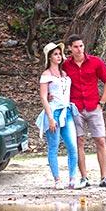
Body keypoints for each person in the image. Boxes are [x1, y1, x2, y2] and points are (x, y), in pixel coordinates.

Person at [62, 35, 106, 188]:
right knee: (79, 141)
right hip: (75, 107)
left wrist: (102, 102)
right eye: (76, 46)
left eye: (81, 46)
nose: (79, 49)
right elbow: (57, 80)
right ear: (70, 48)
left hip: (93, 106)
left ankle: (104, 176)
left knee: (100, 140)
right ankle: (84, 177)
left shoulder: (95, 62)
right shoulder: (66, 65)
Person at [35, 42, 80, 189]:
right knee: (54, 146)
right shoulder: (46, 75)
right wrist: (50, 117)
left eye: (59, 53)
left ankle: (73, 178)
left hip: (66, 112)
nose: (58, 56)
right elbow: (43, 97)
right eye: (55, 54)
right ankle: (57, 179)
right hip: (53, 112)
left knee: (72, 146)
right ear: (49, 57)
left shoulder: (64, 74)